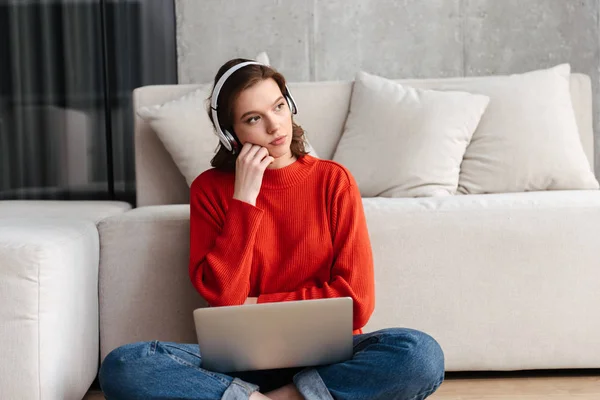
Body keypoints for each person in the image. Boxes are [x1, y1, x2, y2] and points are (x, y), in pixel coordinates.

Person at [99, 59, 445, 400]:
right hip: (240, 366)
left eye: (279, 107)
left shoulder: (332, 180)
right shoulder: (210, 189)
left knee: (420, 354)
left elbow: (357, 302)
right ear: (230, 133)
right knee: (125, 364)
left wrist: (256, 304)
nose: (275, 126)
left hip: (329, 362)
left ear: (290, 104)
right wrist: (244, 200)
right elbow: (224, 300)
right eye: (253, 119)